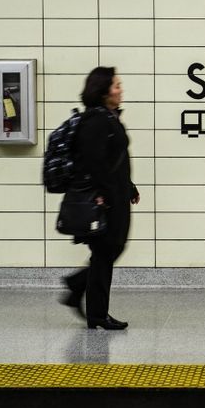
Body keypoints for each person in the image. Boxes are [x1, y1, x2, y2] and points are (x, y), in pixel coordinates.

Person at [60, 67, 140, 329]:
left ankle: (79, 289)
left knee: (109, 250)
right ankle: (96, 313)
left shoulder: (108, 117)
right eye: (116, 85)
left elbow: (113, 160)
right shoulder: (95, 120)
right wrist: (104, 194)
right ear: (104, 91)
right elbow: (93, 163)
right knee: (108, 250)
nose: (121, 89)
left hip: (115, 194)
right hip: (105, 199)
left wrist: (128, 186)